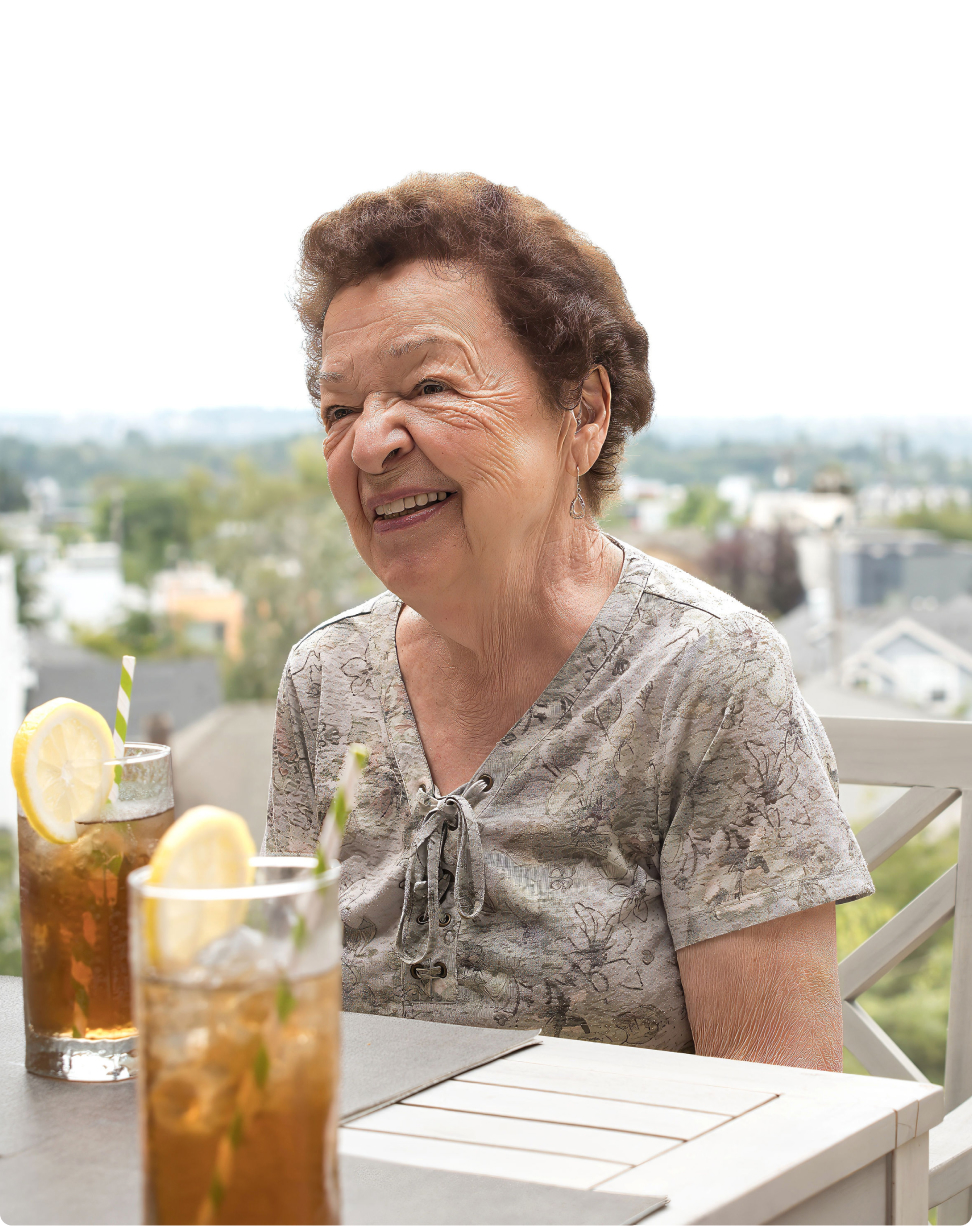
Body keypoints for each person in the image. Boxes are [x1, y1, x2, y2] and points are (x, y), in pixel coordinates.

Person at [265, 173, 872, 1070]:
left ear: (582, 412)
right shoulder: (325, 680)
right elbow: (276, 1036)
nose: (370, 443)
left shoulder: (705, 675)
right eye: (340, 407)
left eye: (429, 385)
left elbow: (781, 1113)